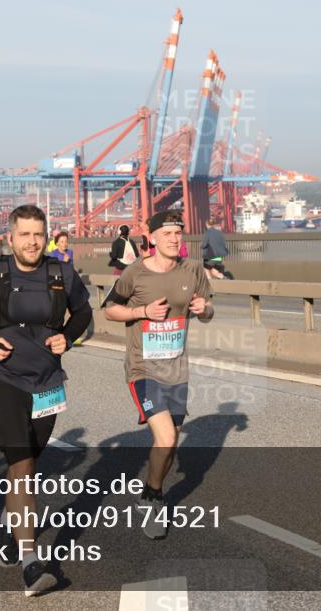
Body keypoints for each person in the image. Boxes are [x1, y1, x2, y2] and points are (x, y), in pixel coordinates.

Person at [0, 204, 92, 596]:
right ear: (11, 237)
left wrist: (67, 335)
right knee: (24, 464)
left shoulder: (61, 272)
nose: (32, 241)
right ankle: (32, 561)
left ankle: (7, 516)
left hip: (47, 379)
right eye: (25, 234)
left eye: (39, 234)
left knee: (30, 460)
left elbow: (83, 311)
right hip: (2, 378)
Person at [104, 210, 214, 539]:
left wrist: (203, 310)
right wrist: (141, 312)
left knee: (170, 442)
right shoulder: (134, 273)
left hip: (177, 369)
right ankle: (153, 499)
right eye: (167, 233)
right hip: (143, 368)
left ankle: (152, 489)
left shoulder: (193, 269)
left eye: (178, 232)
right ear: (151, 238)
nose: (174, 238)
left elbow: (208, 308)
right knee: (165, 436)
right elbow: (110, 308)